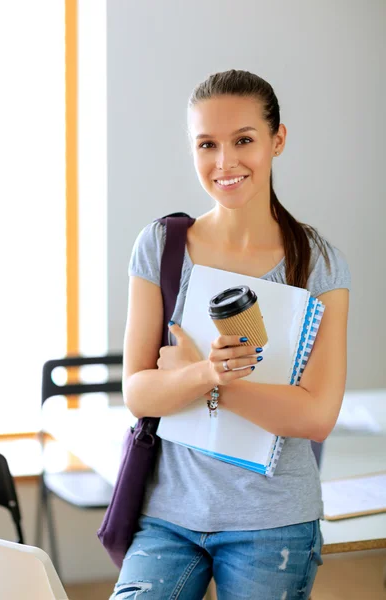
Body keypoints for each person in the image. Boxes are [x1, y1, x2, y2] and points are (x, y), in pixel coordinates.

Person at [110, 69, 350, 599]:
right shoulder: (160, 247)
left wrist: (211, 380)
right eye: (207, 144)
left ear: (277, 140)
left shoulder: (318, 263)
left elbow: (316, 416)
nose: (225, 163)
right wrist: (202, 371)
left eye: (244, 140)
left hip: (273, 522)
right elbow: (137, 393)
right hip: (167, 515)